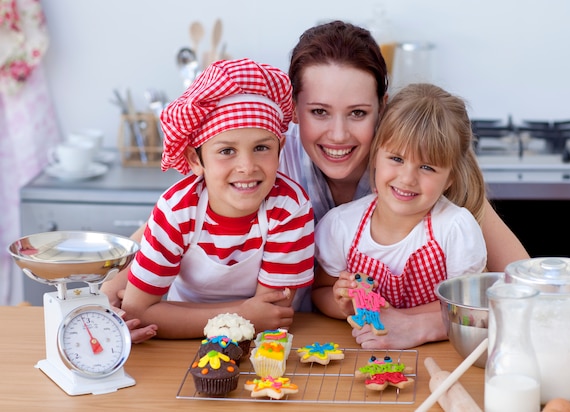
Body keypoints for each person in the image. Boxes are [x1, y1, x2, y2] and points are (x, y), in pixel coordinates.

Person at [104, 20, 529, 343]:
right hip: (279, 336)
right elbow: (167, 224)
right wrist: (111, 288)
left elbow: (521, 285)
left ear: (382, 108)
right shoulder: (266, 156)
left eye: (358, 114)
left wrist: (420, 323)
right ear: (292, 110)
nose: (339, 135)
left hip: (358, 340)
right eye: (319, 112)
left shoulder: (416, 167)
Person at [117, 58, 315, 339]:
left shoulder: (289, 208)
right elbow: (138, 312)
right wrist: (245, 313)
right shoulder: (177, 210)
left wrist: (167, 312)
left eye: (261, 147)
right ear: (194, 159)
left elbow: (273, 314)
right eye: (226, 151)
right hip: (177, 349)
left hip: (250, 345)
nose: (247, 166)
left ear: (280, 148)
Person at [312, 82, 487, 349]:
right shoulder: (340, 226)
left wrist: (407, 322)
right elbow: (320, 292)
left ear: (450, 178)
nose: (407, 178)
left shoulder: (455, 228)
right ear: (375, 157)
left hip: (442, 355)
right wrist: (345, 305)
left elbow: (475, 311)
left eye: (427, 167)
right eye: (396, 159)